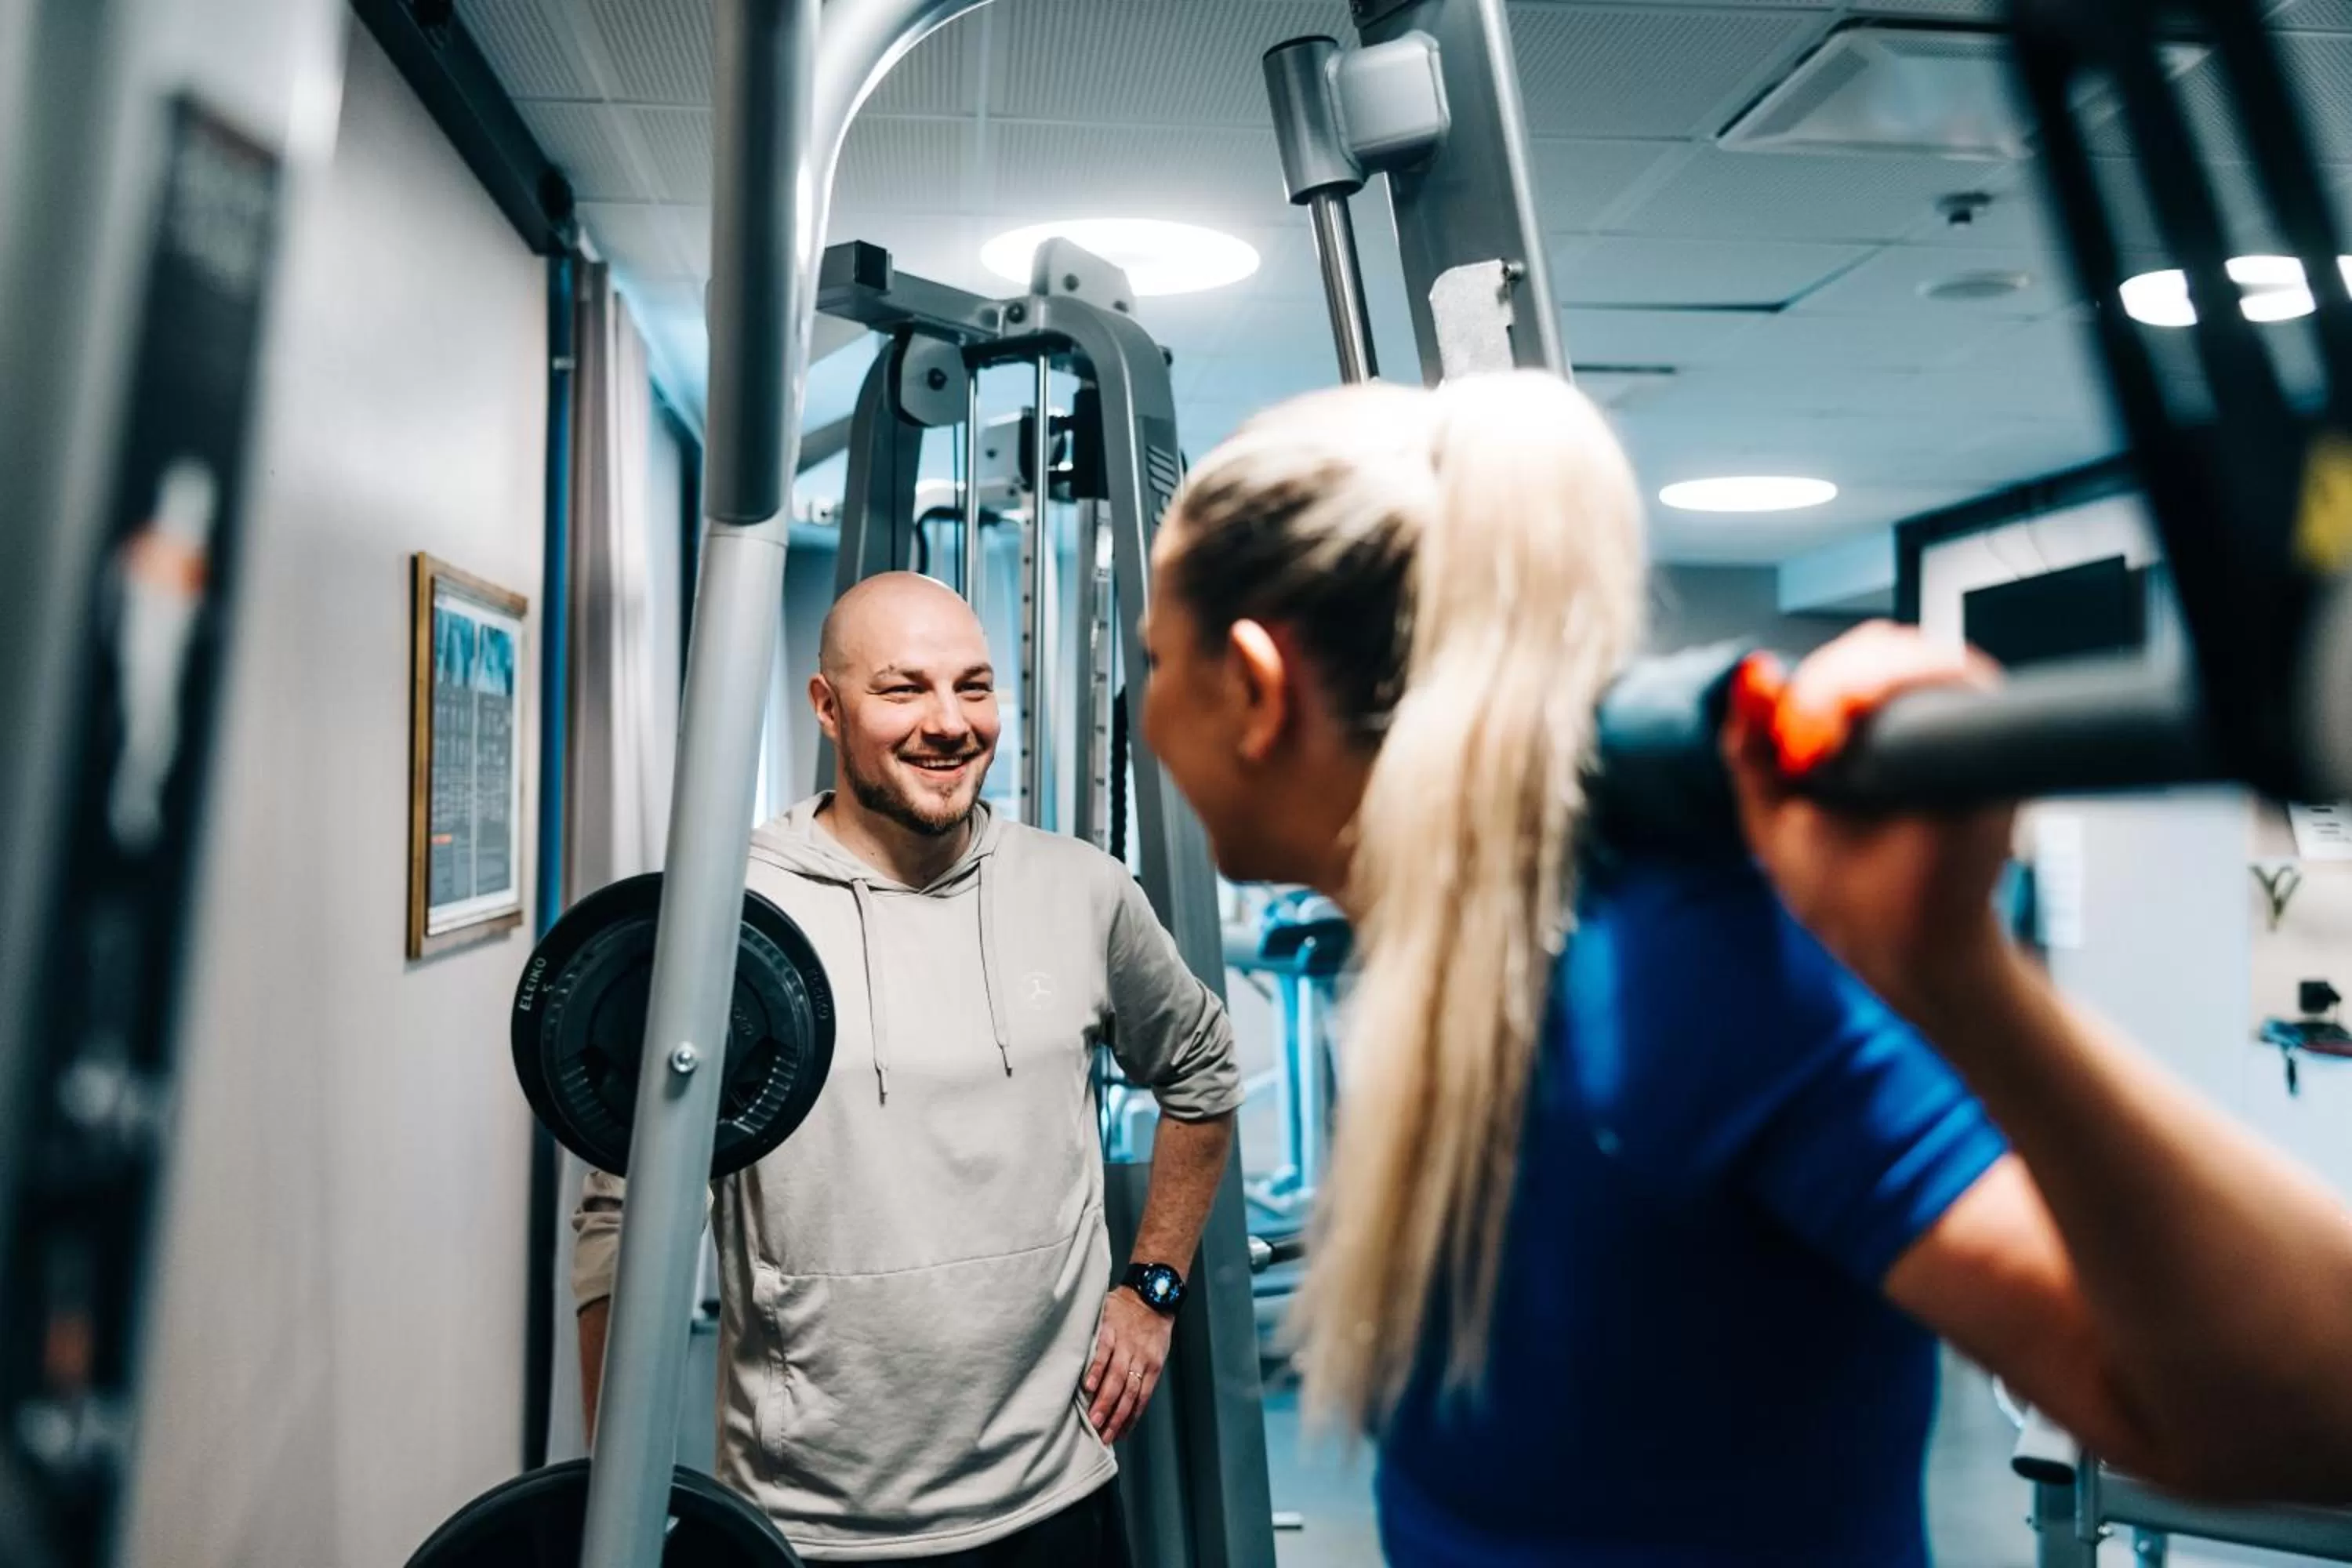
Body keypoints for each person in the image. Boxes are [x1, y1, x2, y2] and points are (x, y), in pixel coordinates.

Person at [1136, 370, 2338, 1568]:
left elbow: (2273, 1415)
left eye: (1155, 665)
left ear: (1253, 687)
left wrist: (1956, 968)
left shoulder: (1679, 969)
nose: (1144, 718)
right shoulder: (1444, 978)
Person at [572, 572, 1240, 1566]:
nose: (950, 723)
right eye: (903, 688)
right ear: (827, 706)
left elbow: (1203, 1069)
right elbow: (622, 1216)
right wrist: (615, 1500)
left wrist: (1151, 1289)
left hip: (1055, 1493)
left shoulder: (1082, 891)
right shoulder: (726, 914)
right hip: (813, 1523)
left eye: (974, 686)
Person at [1726, 621, 2352, 1501]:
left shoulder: (1704, 1000)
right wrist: (1949, 962)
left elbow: (2305, 1406)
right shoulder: (1681, 984)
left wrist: (1947, 956)